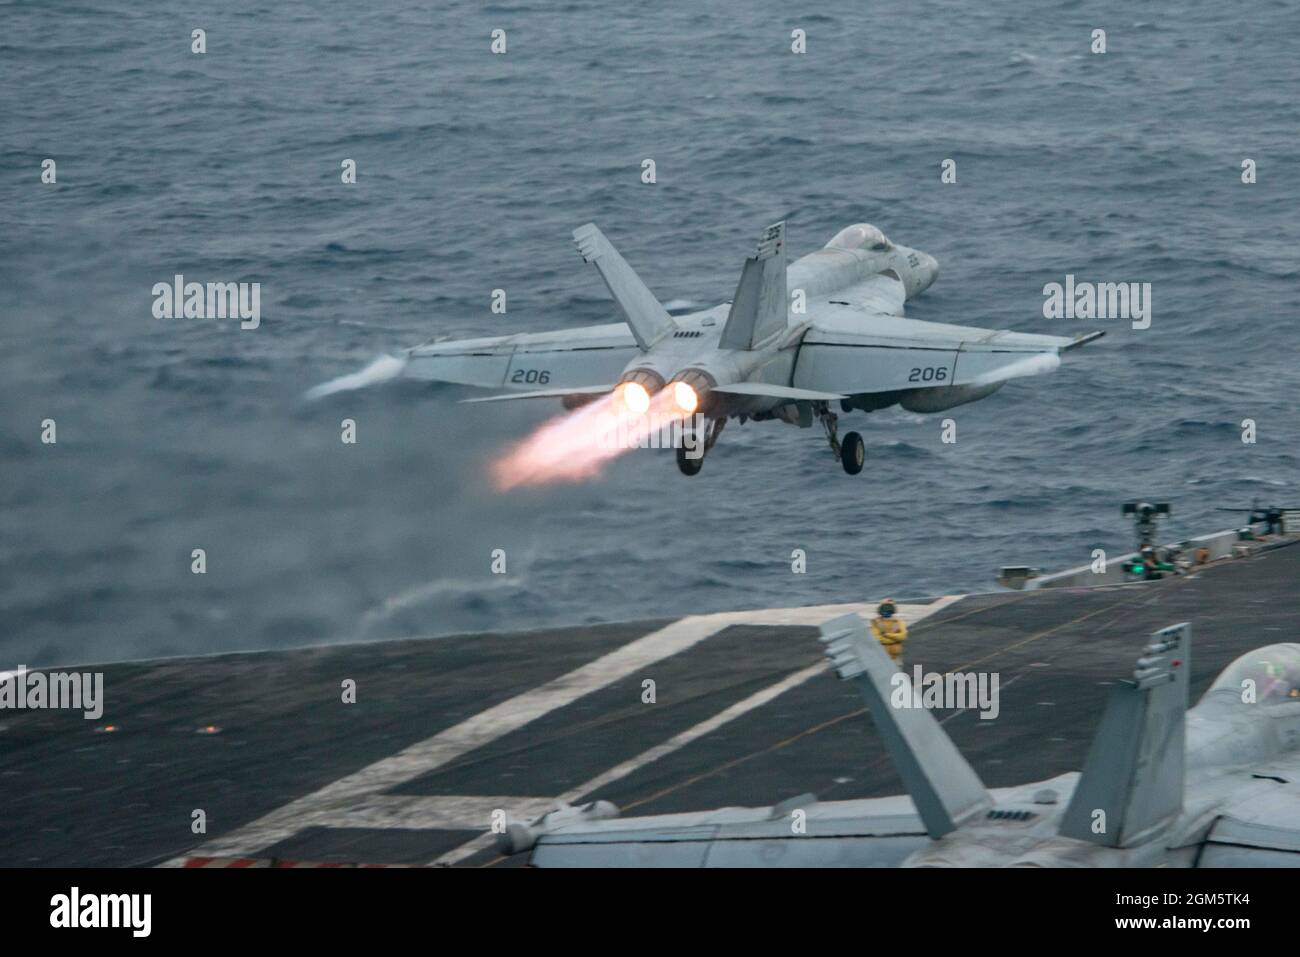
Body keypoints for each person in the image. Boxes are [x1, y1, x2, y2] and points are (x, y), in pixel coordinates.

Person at [870, 599, 908, 666]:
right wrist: (895, 639)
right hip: (882, 657)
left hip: (896, 656)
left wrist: (887, 635)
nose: (886, 612)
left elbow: (903, 636)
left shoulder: (898, 621)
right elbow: (877, 639)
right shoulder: (876, 622)